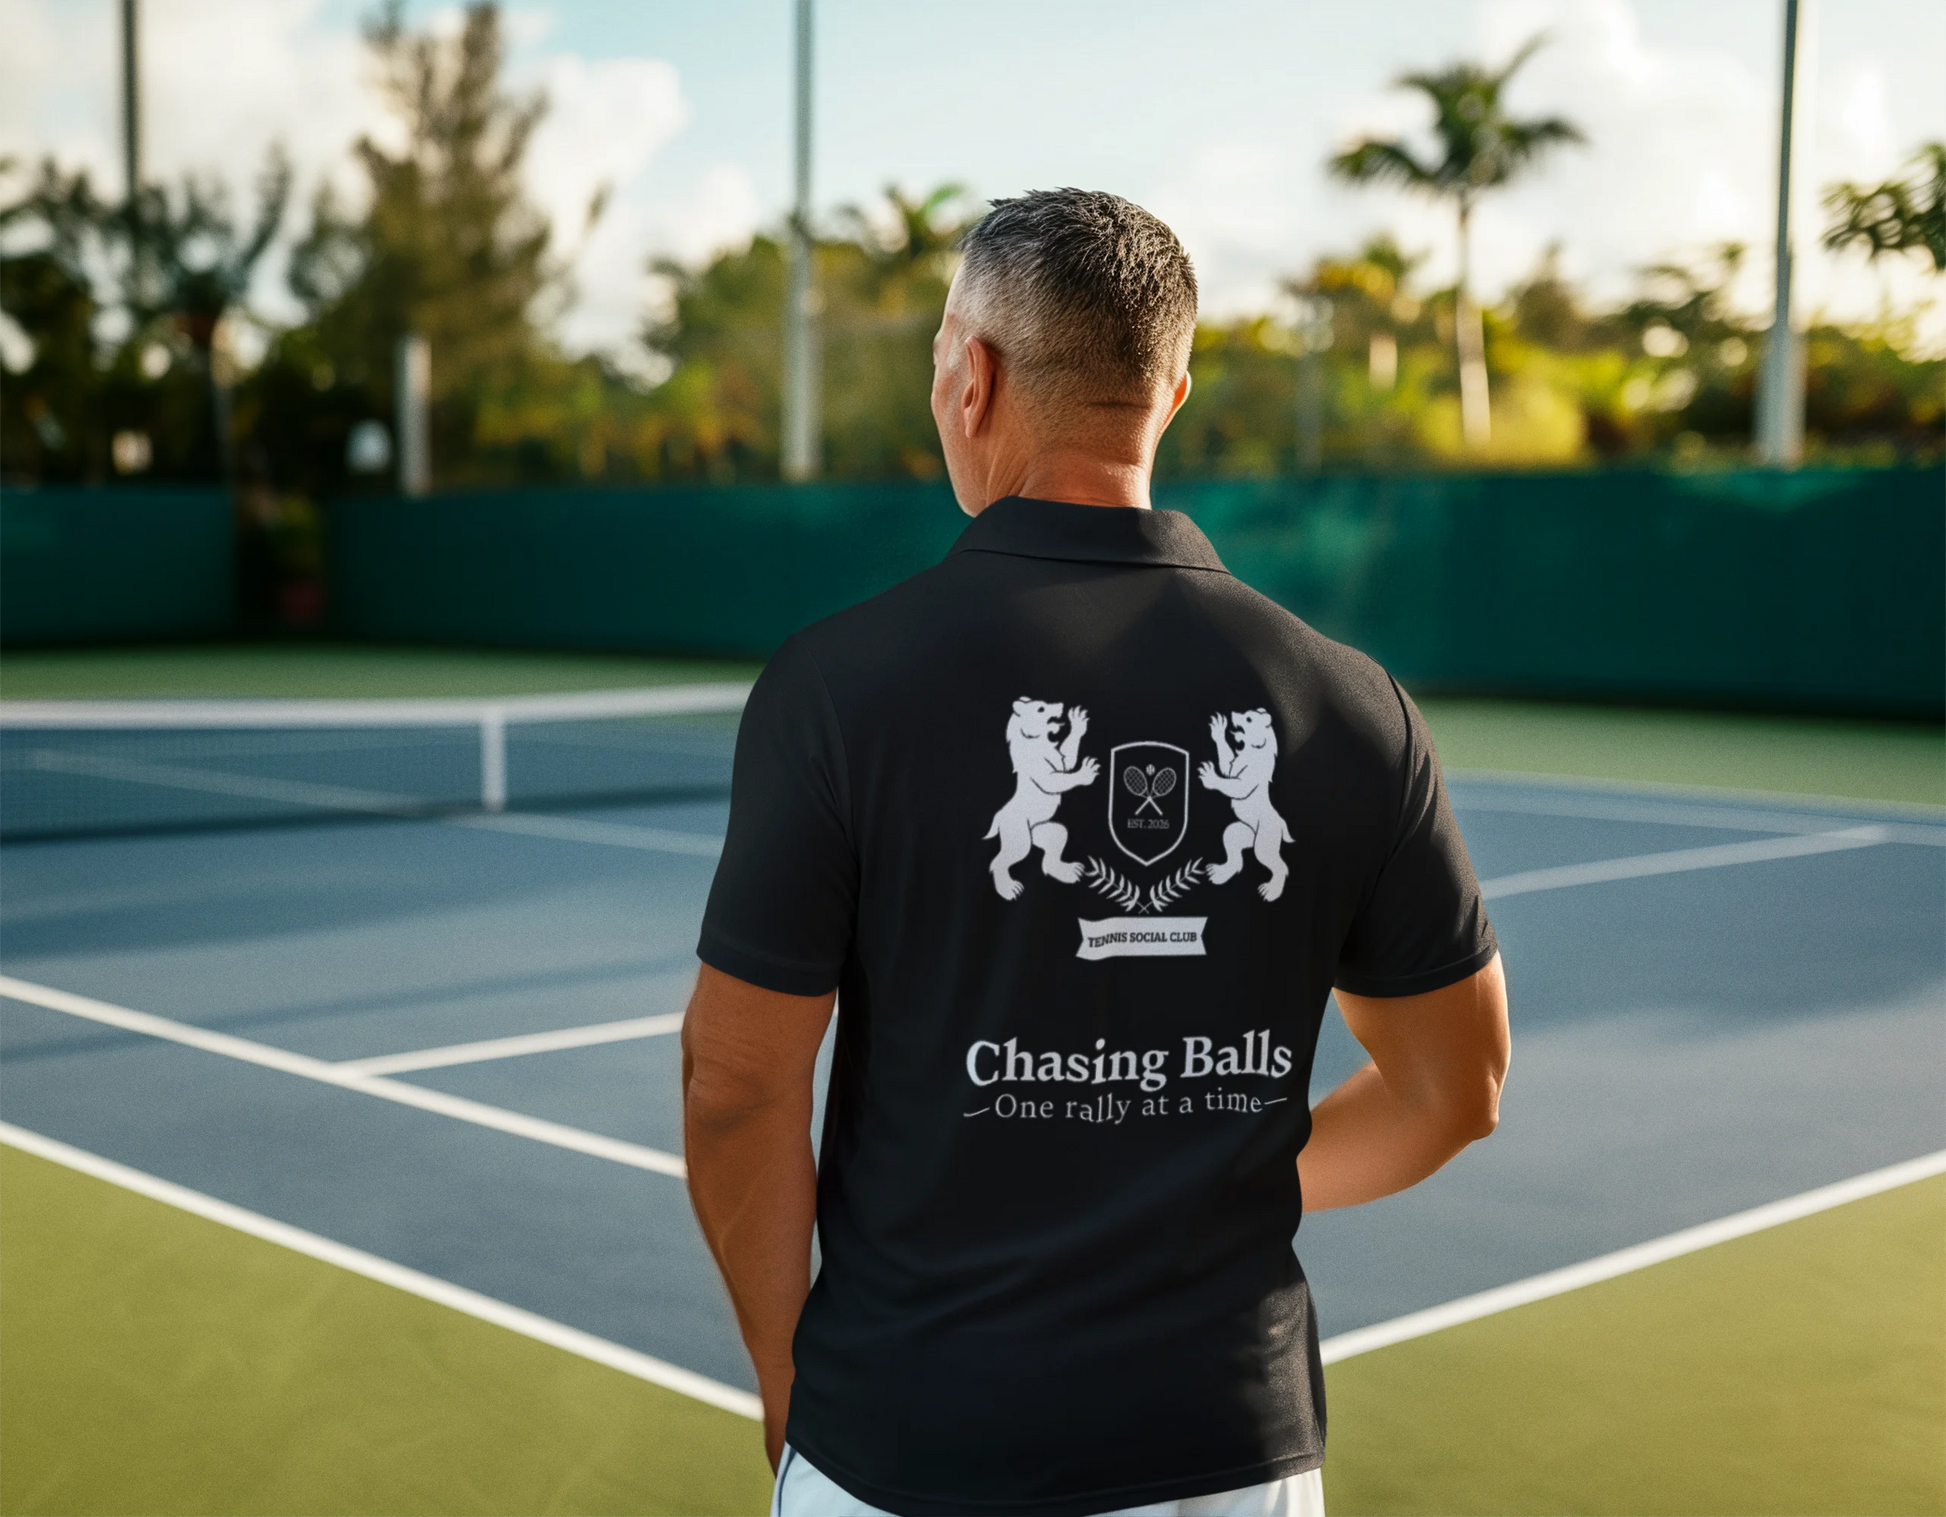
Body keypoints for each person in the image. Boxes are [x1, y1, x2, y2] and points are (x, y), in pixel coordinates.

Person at [682, 188, 1510, 1517]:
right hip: (1234, 1456)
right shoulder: (1353, 704)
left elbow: (734, 1086)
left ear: (971, 373)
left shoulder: (838, 687)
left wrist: (792, 1379)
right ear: (1168, 395)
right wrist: (1205, 1169)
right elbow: (1453, 1091)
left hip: (908, 1440)